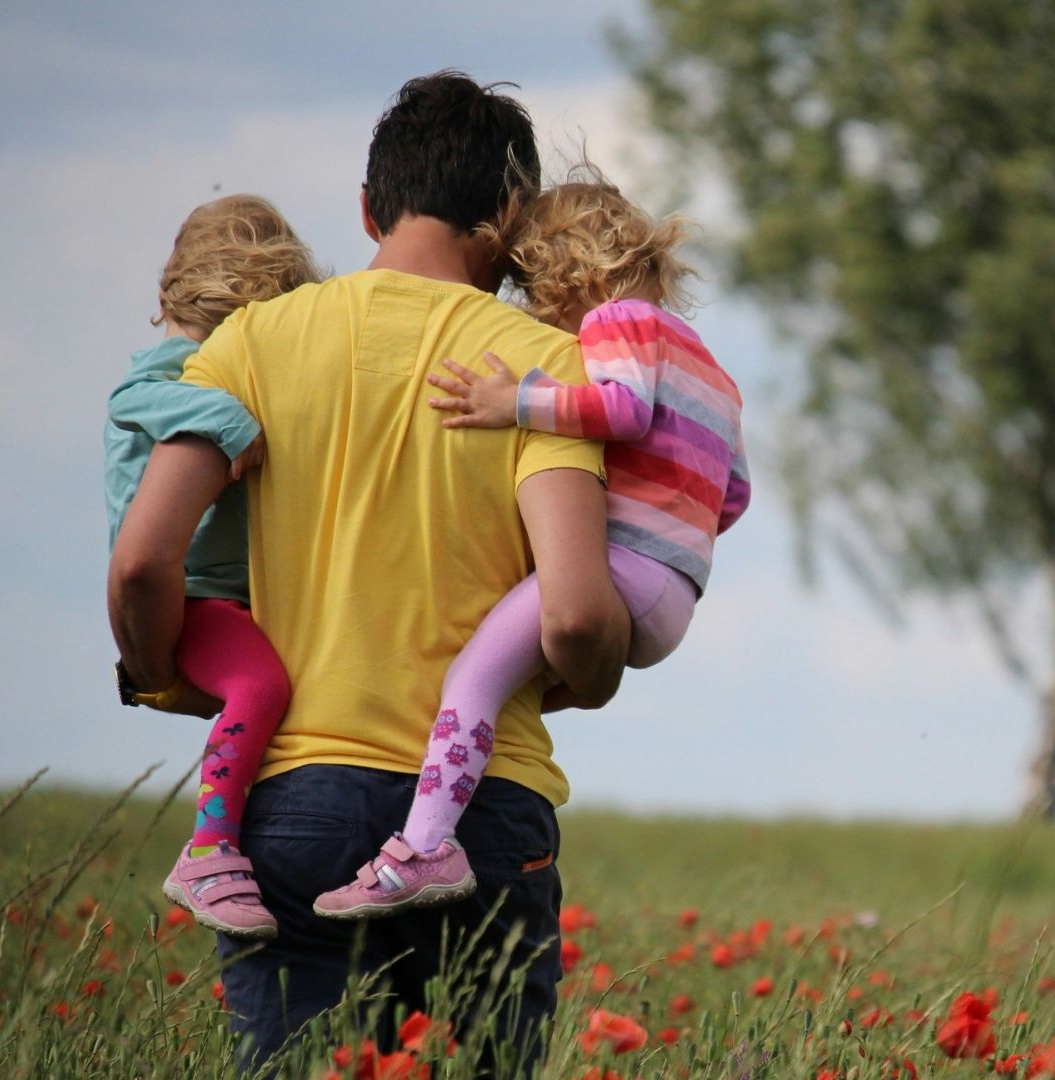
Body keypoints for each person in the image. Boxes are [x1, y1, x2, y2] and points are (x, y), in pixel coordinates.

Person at [108, 71, 629, 1066]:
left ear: (366, 207)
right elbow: (573, 617)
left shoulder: (250, 344)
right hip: (482, 813)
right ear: (510, 215)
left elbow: (141, 562)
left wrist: (164, 672)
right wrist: (591, 678)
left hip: (294, 801)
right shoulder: (541, 369)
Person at [314, 175, 751, 918]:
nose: (538, 312)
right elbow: (733, 495)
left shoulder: (618, 322)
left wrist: (511, 401)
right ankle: (448, 809)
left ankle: (424, 847)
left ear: (567, 272)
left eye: (533, 289)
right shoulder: (713, 369)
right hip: (676, 592)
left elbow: (620, 408)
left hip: (622, 570)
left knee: (472, 679)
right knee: (510, 682)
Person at [105, 194, 321, 939]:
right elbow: (133, 397)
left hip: (228, 597)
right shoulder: (174, 370)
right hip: (193, 596)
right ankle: (210, 848)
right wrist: (230, 420)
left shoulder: (205, 363)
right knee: (261, 684)